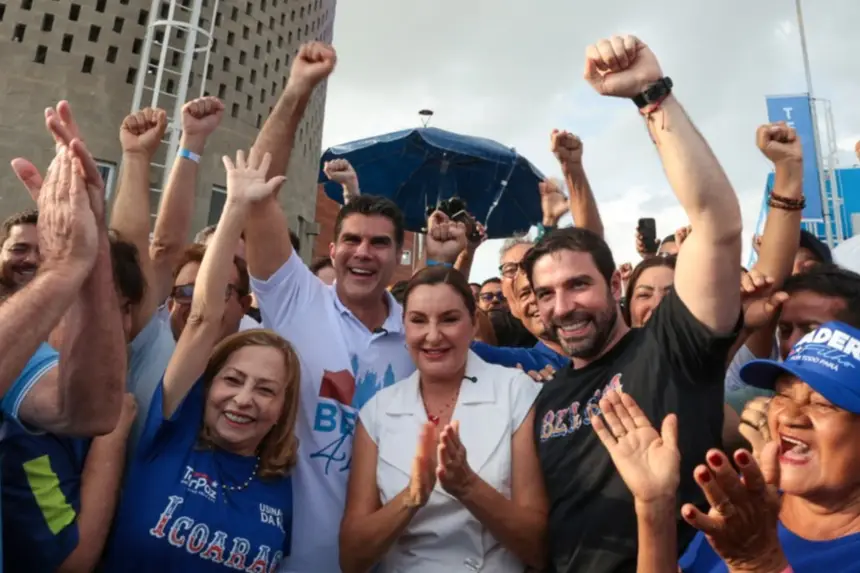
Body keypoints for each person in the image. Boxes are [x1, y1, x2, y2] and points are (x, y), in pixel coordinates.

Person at [521, 34, 743, 572]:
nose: (563, 307)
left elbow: (716, 224)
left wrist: (651, 94)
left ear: (615, 283)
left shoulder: (673, 347)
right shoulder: (542, 402)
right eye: (546, 293)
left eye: (578, 285)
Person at [245, 42, 418, 572]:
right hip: (288, 558)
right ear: (333, 247)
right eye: (352, 240)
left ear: (399, 256)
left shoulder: (421, 340)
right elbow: (256, 192)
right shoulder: (296, 298)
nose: (363, 253)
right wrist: (297, 90)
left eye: (379, 243)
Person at [102, 150, 300, 571]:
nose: (244, 399)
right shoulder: (171, 433)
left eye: (266, 390)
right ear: (208, 386)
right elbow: (203, 319)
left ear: (283, 409)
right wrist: (235, 206)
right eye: (233, 380)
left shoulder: (281, 486)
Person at [340, 266, 546, 572]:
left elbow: (540, 548)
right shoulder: (378, 411)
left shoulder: (516, 392)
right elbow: (351, 558)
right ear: (404, 326)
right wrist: (412, 497)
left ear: (473, 323)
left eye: (449, 319)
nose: (433, 336)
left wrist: (468, 487)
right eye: (418, 320)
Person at [680, 321, 860, 572]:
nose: (789, 416)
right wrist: (653, 507)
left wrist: (761, 562)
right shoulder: (750, 502)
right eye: (782, 395)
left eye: (823, 404)